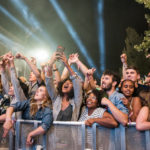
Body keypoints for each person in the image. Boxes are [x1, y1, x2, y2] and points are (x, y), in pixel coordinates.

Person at [45, 52, 83, 121]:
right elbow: (49, 82)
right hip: (55, 132)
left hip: (71, 132)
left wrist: (67, 64)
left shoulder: (76, 100)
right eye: (65, 82)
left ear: (74, 88)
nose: (66, 83)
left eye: (70, 83)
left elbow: (77, 83)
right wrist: (50, 64)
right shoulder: (56, 98)